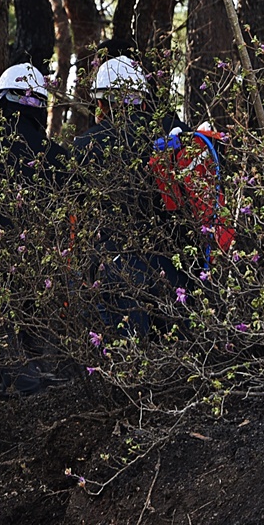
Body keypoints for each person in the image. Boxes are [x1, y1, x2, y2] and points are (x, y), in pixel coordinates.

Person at [71, 53, 196, 335]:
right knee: (184, 356)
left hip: (118, 270)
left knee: (129, 355)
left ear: (101, 102)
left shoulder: (85, 145)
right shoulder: (175, 133)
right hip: (177, 268)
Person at [0, 63, 71, 397]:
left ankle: (14, 381)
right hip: (46, 258)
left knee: (0, 318)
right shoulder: (57, 156)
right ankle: (40, 379)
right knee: (39, 317)